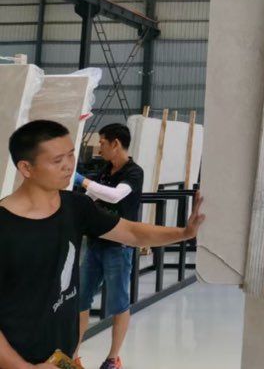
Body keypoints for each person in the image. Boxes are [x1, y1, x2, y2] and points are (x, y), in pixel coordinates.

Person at [0, 120, 204, 369]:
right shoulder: (5, 225)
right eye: (57, 160)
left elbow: (131, 232)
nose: (68, 166)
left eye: (71, 154)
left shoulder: (75, 207)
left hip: (60, 359)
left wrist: (184, 232)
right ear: (26, 168)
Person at [73, 124, 144, 369]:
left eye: (102, 142)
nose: (99, 147)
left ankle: (113, 359)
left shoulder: (134, 172)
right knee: (80, 300)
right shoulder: (105, 170)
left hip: (118, 246)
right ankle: (73, 356)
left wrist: (82, 180)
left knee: (118, 303)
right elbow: (92, 197)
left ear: (116, 143)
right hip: (95, 243)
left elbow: (115, 195)